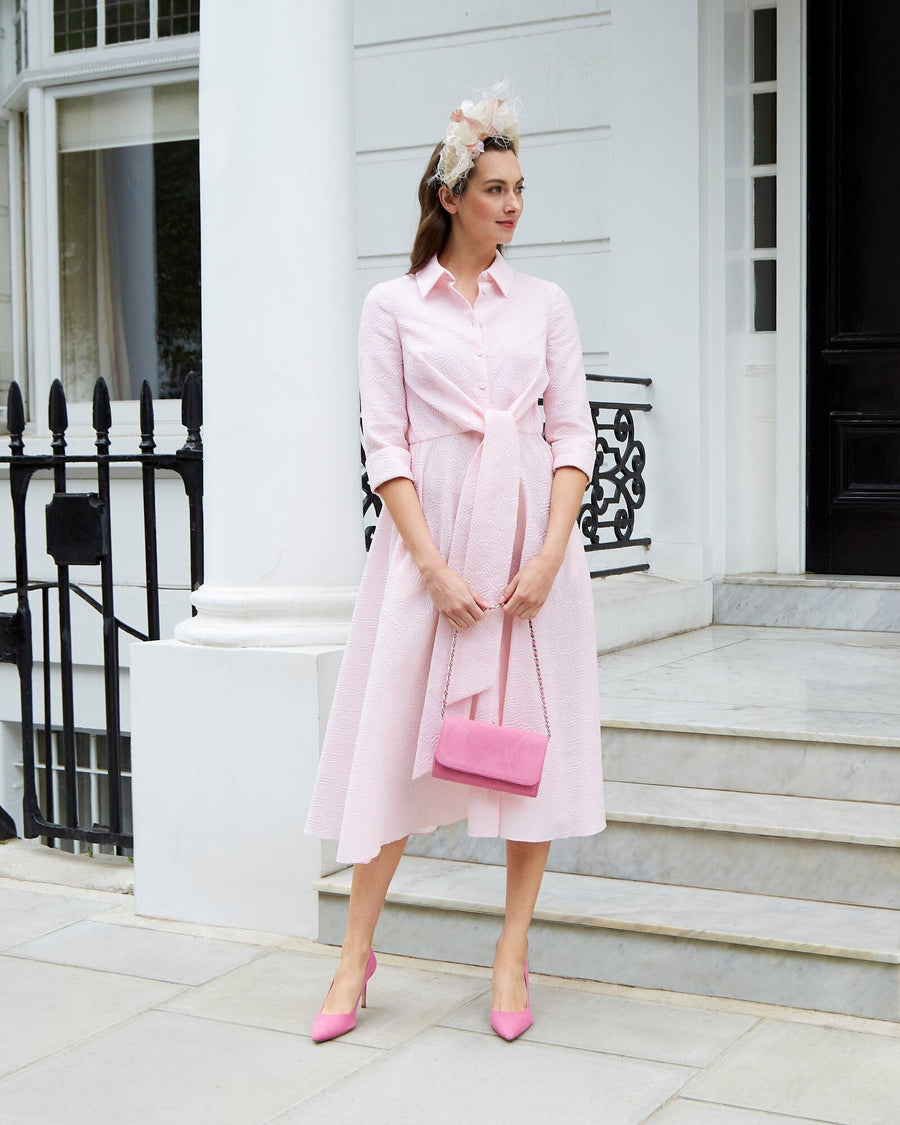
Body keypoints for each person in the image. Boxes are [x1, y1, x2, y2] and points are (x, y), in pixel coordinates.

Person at [304, 80, 606, 1043]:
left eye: (520, 187)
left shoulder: (546, 303)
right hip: (426, 559)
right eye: (495, 189)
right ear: (449, 196)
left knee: (528, 758)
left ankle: (512, 950)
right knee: (395, 748)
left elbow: (572, 433)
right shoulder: (392, 306)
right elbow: (385, 446)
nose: (514, 204)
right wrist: (430, 566)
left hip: (530, 559)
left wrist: (552, 553)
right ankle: (356, 952)